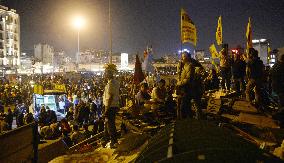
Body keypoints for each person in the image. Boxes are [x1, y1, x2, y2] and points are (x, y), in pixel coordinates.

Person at [102, 64, 120, 148]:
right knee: (109, 124)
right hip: (114, 106)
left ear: (110, 73)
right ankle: (108, 140)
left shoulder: (111, 84)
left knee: (110, 125)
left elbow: (110, 97)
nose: (105, 74)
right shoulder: (116, 82)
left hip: (110, 106)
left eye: (106, 73)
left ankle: (114, 142)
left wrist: (106, 109)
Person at [177, 52, 195, 119]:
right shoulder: (183, 66)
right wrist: (179, 67)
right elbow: (179, 76)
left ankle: (186, 123)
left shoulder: (190, 66)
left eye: (184, 56)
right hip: (183, 89)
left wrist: (179, 83)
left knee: (184, 108)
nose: (182, 58)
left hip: (187, 89)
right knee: (186, 107)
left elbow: (188, 79)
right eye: (182, 56)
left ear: (188, 58)